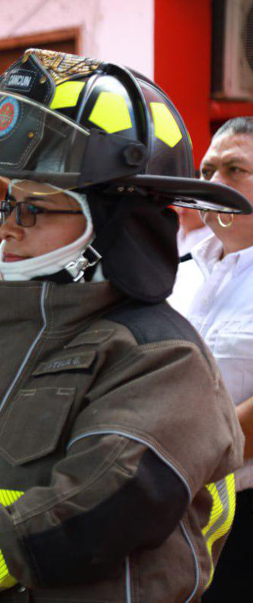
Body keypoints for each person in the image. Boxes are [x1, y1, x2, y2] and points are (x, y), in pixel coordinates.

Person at [0, 49, 249, 603]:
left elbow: (94, 508)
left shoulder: (161, 358)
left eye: (33, 207)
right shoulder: (0, 337)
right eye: (8, 202)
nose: (7, 225)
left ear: (110, 222)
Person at [170, 117, 253, 602]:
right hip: (175, 507)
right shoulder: (179, 271)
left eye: (235, 168)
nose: (214, 182)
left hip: (242, 508)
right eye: (206, 170)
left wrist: (192, 460)